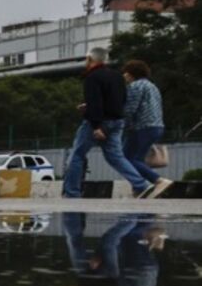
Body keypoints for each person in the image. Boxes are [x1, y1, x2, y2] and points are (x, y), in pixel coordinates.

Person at [62, 48, 154, 199]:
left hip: (98, 122)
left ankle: (72, 193)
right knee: (116, 157)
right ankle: (141, 184)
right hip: (117, 122)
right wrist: (92, 107)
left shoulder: (92, 77)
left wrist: (96, 126)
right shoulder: (117, 76)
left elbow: (96, 101)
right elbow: (121, 99)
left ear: (90, 59)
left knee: (77, 155)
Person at [121, 59, 171, 198]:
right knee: (133, 157)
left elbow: (130, 109)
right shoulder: (152, 86)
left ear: (131, 73)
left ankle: (158, 181)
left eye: (125, 72)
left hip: (142, 127)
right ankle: (138, 188)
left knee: (129, 159)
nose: (124, 76)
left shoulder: (135, 86)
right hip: (156, 126)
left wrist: (120, 125)